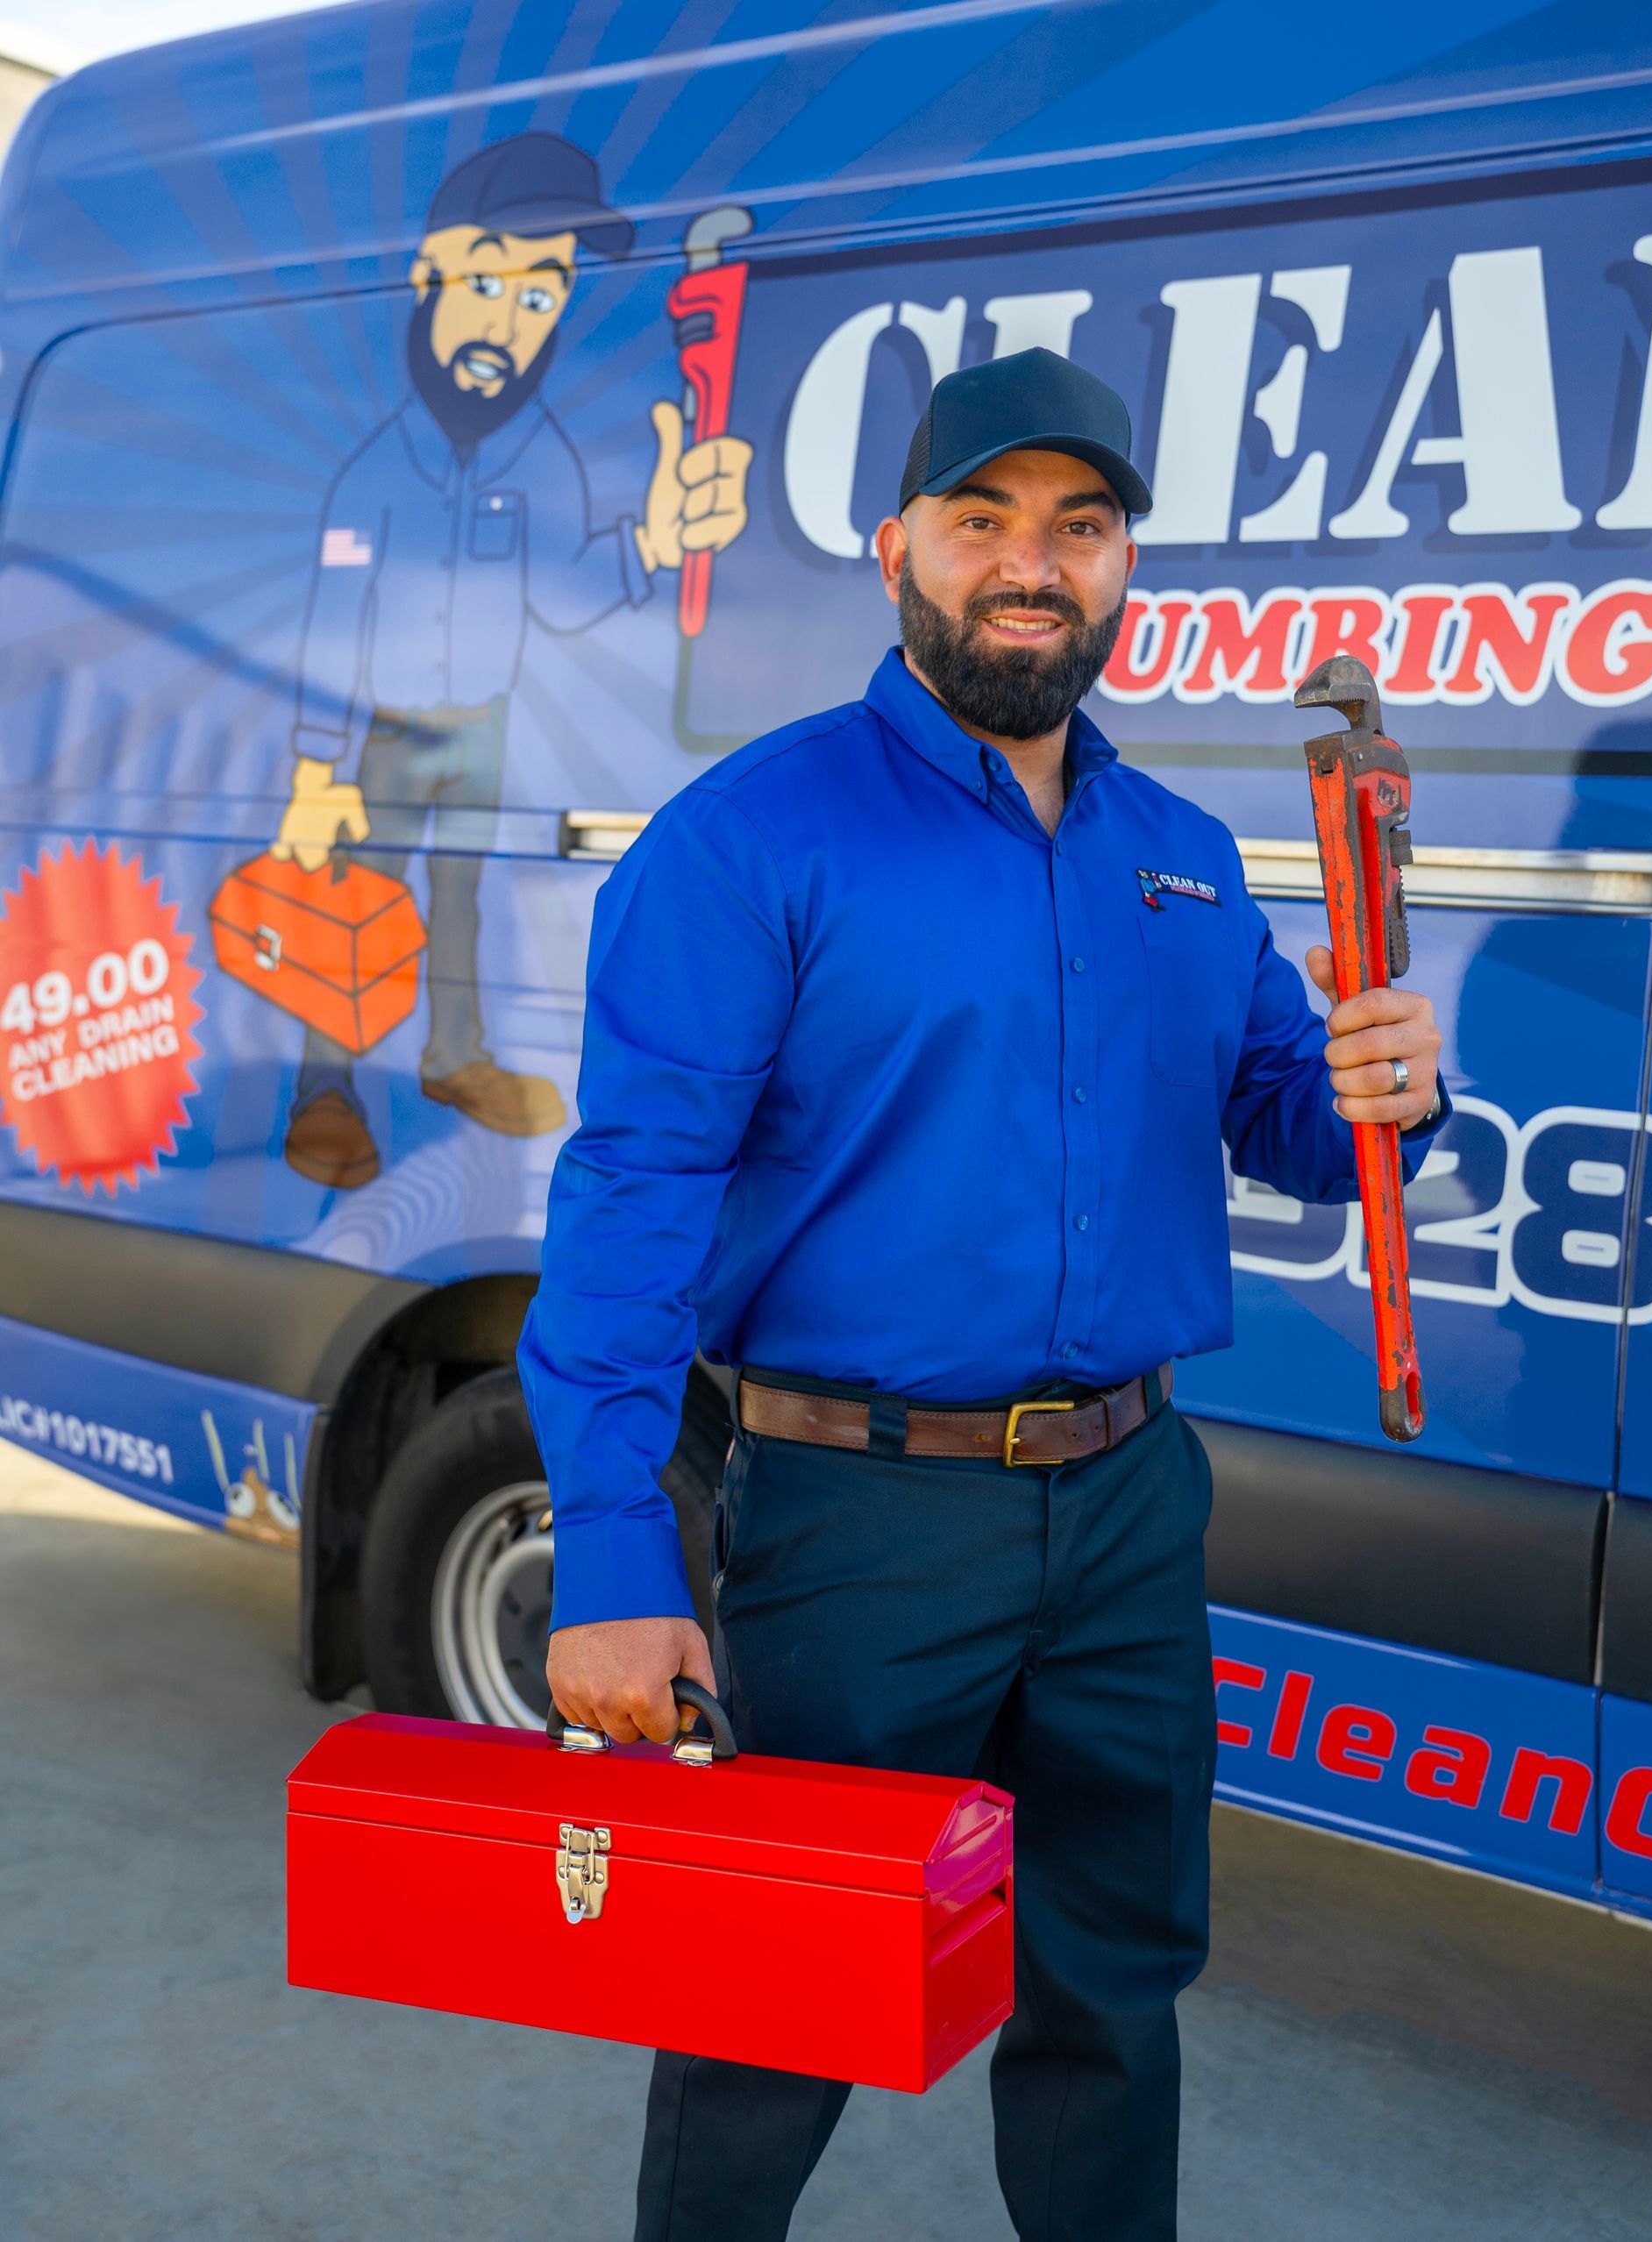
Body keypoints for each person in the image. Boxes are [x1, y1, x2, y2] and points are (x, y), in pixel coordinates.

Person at [517, 347, 1449, 2242]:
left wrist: (1386, 1094)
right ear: (899, 550)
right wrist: (615, 1553)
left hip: (1124, 1510)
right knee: (781, 2000)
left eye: (1079, 528)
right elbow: (629, 1202)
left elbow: (1282, 1117)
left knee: (1113, 1987)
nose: (1033, 565)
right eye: (985, 521)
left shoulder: (1180, 861)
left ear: (1123, 571)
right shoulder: (755, 839)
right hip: (861, 1518)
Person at [271, 132, 751, 1190]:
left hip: (479, 725)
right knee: (355, 905)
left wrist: (649, 546)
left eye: (539, 297)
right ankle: (324, 1088)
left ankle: (452, 1059)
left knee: (457, 898)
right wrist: (313, 772)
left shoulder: (540, 454)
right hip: (389, 732)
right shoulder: (371, 473)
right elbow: (331, 620)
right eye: (486, 281)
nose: (507, 323)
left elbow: (565, 588)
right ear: (427, 270)